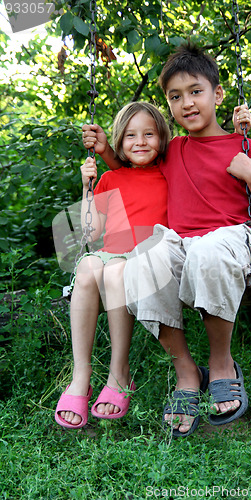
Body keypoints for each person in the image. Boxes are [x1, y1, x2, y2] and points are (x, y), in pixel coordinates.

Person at [82, 48, 251, 437]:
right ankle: (187, 373)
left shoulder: (247, 148)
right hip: (182, 247)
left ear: (218, 93)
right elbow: (134, 171)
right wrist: (106, 152)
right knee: (141, 256)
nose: (187, 103)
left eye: (196, 91)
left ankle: (222, 363)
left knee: (209, 251)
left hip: (226, 245)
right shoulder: (175, 150)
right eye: (175, 97)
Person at [55, 101, 170, 429]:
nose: (141, 141)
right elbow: (91, 233)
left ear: (162, 139)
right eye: (131, 136)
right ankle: (81, 376)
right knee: (90, 265)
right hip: (110, 258)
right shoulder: (111, 179)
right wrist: (87, 187)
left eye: (149, 134)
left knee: (116, 267)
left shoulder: (168, 173)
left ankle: (119, 374)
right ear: (119, 144)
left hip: (149, 260)